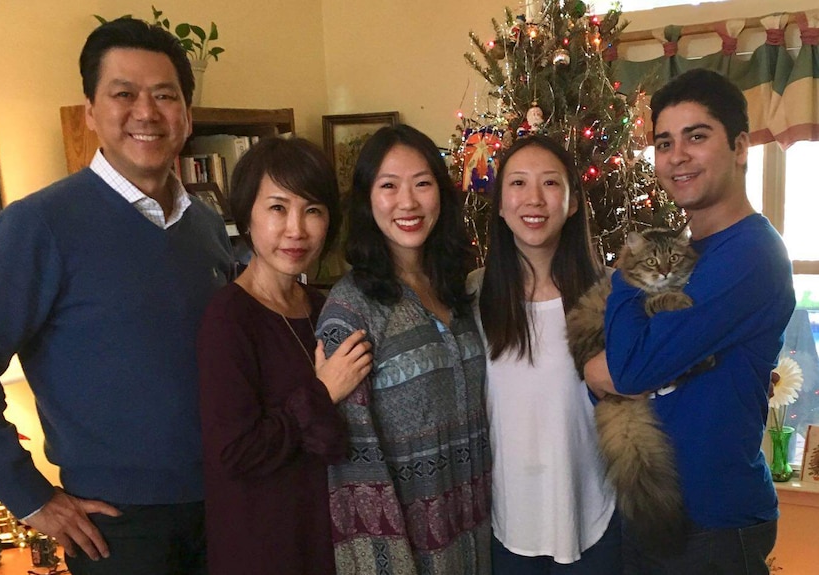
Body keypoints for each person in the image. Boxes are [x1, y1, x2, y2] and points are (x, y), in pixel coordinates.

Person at [0, 17, 234, 574]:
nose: (146, 112)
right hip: (117, 530)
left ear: (186, 112)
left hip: (228, 505)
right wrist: (30, 496)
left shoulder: (206, 224)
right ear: (90, 111)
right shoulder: (40, 225)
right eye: (123, 94)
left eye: (164, 95)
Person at [586, 68, 796, 573]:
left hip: (714, 525)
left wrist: (621, 278)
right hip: (659, 504)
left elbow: (628, 370)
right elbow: (610, 372)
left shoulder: (748, 254)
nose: (676, 156)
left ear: (740, 146)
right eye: (663, 142)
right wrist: (605, 368)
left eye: (696, 137)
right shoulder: (685, 250)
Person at [315, 124, 491, 574]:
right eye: (389, 186)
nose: (408, 202)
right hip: (409, 557)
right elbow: (352, 472)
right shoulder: (351, 310)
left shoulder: (461, 289)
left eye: (422, 184)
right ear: (367, 199)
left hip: (480, 541)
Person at [196, 137, 372, 574]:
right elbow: (236, 452)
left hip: (325, 535)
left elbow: (334, 442)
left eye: (312, 210)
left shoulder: (323, 307)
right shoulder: (228, 316)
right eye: (278, 208)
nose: (296, 229)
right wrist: (322, 392)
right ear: (247, 217)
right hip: (263, 542)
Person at [469, 134, 621, 574]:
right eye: (517, 183)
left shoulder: (612, 294)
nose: (533, 199)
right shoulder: (474, 294)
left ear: (572, 202)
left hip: (594, 515)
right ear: (500, 203)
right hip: (507, 523)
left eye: (550, 183)